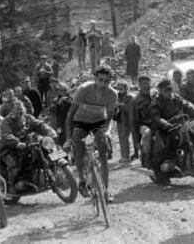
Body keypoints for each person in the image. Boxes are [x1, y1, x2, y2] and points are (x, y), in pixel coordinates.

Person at [63, 65, 117, 201]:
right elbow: (70, 115)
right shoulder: (84, 90)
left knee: (103, 153)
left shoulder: (112, 94)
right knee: (78, 144)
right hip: (81, 121)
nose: (103, 84)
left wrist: (105, 130)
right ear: (95, 79)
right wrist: (68, 139)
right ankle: (81, 179)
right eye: (100, 80)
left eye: (107, 81)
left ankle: (105, 190)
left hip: (99, 122)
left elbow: (109, 116)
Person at [149, 79, 194, 184]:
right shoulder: (156, 101)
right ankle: (159, 172)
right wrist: (166, 124)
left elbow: (187, 105)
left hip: (180, 125)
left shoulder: (176, 98)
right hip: (164, 128)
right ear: (160, 91)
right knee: (164, 147)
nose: (169, 92)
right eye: (166, 90)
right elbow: (156, 116)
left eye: (170, 89)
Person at [0, 101, 57, 194]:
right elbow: (7, 135)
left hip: (28, 143)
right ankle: (10, 187)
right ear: (12, 110)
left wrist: (49, 131)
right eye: (17, 109)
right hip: (11, 148)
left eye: (21, 109)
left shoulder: (28, 118)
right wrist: (17, 143)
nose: (20, 111)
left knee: (45, 150)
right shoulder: (7, 121)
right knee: (14, 165)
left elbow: (39, 124)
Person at [130, 75, 153, 167]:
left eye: (148, 83)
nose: (146, 86)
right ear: (139, 85)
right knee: (147, 133)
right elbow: (133, 122)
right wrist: (136, 141)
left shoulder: (155, 96)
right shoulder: (135, 101)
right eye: (144, 84)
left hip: (158, 123)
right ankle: (146, 157)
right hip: (144, 125)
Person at [114, 80, 136, 163]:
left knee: (127, 138)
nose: (118, 88)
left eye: (121, 86)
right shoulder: (116, 96)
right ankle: (124, 155)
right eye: (118, 86)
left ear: (126, 88)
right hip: (120, 120)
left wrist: (120, 105)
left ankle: (128, 156)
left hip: (128, 120)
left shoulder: (130, 96)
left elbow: (130, 109)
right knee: (122, 138)